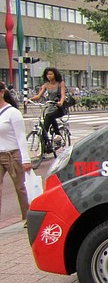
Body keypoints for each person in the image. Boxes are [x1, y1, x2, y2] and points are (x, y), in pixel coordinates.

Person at [0, 81, 32, 224]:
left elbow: (21, 137)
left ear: (2, 93)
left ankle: (27, 216)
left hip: (13, 154)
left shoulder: (13, 113)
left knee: (20, 187)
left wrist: (26, 159)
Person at [28, 67, 67, 149]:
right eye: (47, 74)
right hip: (49, 107)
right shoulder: (46, 85)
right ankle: (46, 146)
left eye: (50, 74)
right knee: (46, 122)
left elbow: (63, 95)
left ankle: (57, 135)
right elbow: (39, 96)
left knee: (48, 118)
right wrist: (29, 99)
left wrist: (61, 102)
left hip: (59, 107)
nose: (49, 76)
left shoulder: (60, 84)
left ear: (55, 75)